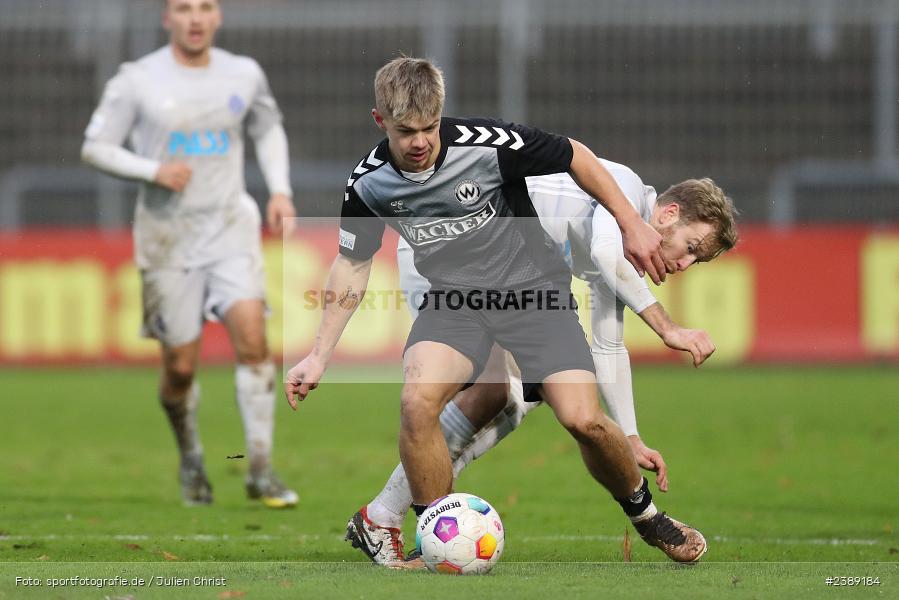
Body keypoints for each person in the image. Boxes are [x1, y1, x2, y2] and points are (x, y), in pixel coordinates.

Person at [286, 56, 706, 562]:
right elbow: (353, 264)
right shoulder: (368, 183)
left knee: (582, 419)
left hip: (535, 294)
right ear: (380, 121)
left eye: (429, 127)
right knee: (417, 401)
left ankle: (648, 517)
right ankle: (437, 540)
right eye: (405, 131)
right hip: (455, 301)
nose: (419, 142)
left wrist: (632, 224)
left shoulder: (487, 144)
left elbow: (576, 155)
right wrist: (319, 355)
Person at [345, 168, 738, 568]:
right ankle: (401, 521)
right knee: (477, 394)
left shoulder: (624, 256)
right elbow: (604, 254)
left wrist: (631, 436)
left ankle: (389, 518)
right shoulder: (624, 186)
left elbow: (608, 344)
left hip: (510, 278)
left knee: (507, 398)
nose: (685, 263)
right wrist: (667, 327)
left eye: (696, 260)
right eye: (691, 247)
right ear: (669, 214)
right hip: (443, 253)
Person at [81, 0, 298, 508]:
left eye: (205, 7)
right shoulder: (137, 79)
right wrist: (151, 170)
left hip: (229, 227)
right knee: (179, 368)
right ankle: (192, 457)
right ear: (167, 18)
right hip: (167, 236)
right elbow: (95, 147)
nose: (195, 18)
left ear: (218, 15)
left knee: (253, 339)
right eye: (183, 8)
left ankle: (260, 469)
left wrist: (280, 190)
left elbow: (267, 128)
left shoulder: (244, 73)